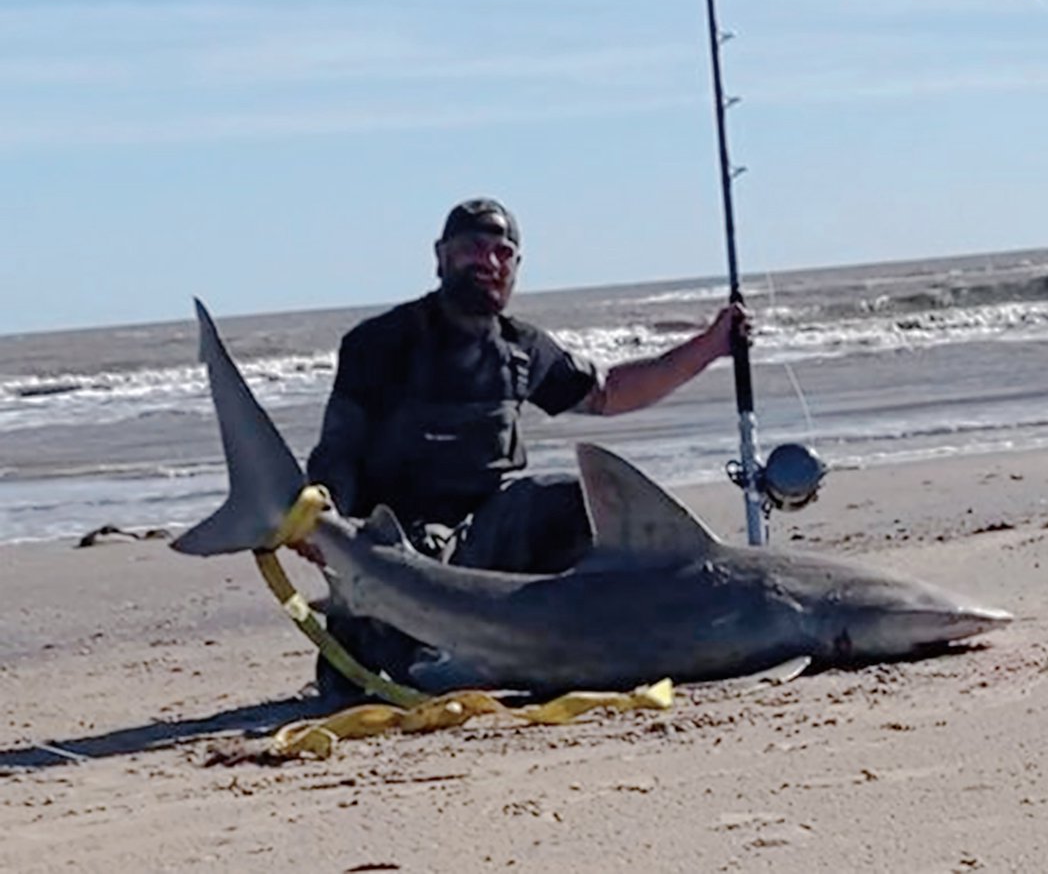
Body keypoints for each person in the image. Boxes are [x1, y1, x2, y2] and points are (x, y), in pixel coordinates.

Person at [301, 197, 748, 699]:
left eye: (503, 252)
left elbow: (608, 394)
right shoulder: (379, 344)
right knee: (413, 658)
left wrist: (710, 347)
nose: (489, 263)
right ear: (441, 256)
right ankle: (374, 634)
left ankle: (590, 643)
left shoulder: (521, 348)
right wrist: (318, 521)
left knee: (576, 503)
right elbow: (335, 451)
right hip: (400, 533)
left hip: (489, 526)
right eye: (473, 248)